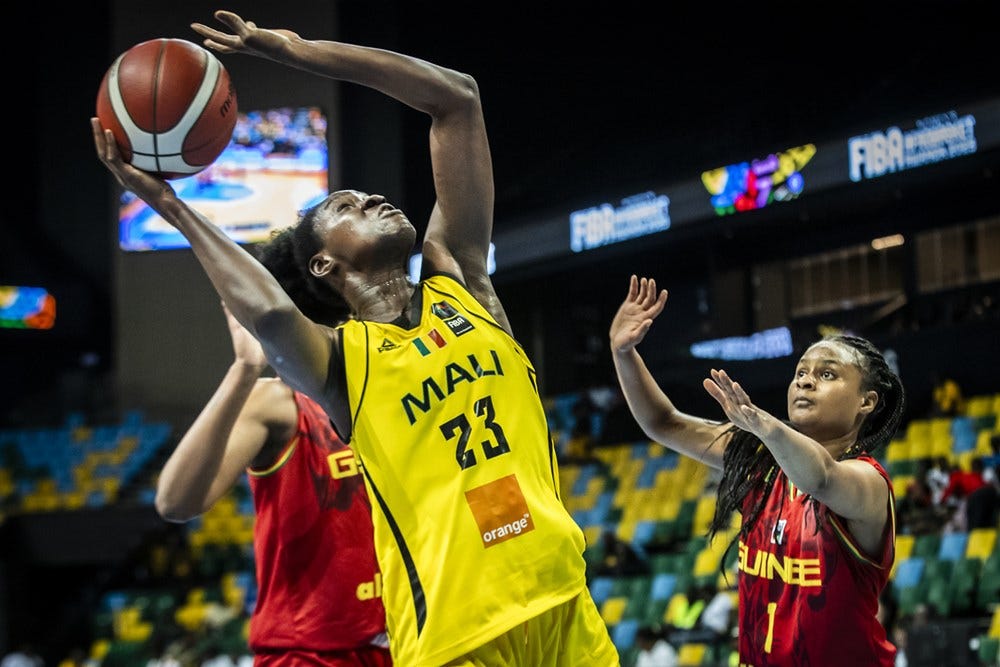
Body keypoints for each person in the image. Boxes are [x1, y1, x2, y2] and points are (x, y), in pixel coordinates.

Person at [93, 10, 618, 667]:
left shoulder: (462, 281)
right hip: (458, 639)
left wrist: (297, 51)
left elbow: (457, 99)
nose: (372, 198)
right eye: (348, 205)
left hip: (567, 605)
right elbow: (269, 315)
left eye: (365, 195)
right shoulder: (342, 361)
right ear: (323, 265)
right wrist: (170, 206)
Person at [609, 275, 906, 666]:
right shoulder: (760, 461)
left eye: (827, 374)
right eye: (801, 372)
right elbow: (663, 423)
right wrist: (624, 353)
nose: (806, 381)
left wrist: (766, 426)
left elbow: (820, 478)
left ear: (866, 402)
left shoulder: (868, 483)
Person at [154, 302, 391, 665]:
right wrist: (244, 370)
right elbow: (175, 502)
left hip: (401, 643)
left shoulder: (387, 393)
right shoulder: (279, 402)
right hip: (308, 653)